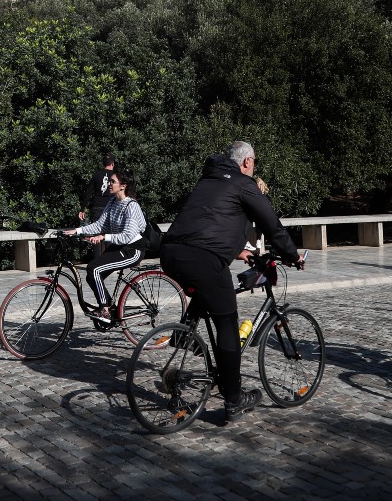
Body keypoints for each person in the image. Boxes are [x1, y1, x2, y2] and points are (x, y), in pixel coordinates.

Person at [161, 141, 302, 423]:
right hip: (202, 259)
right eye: (254, 163)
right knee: (227, 322)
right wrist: (292, 254)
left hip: (171, 252)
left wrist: (239, 250)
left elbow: (210, 222)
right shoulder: (242, 183)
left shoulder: (209, 180)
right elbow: (271, 224)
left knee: (208, 295)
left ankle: (185, 337)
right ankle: (234, 400)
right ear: (247, 162)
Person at [61, 166, 146, 322]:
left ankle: (104, 310)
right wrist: (77, 231)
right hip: (119, 247)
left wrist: (102, 237)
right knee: (91, 274)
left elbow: (126, 236)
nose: (109, 184)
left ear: (123, 186)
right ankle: (108, 307)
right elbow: (100, 224)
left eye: (112, 181)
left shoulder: (131, 206)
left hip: (132, 250)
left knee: (94, 269)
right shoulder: (113, 202)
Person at [79, 153, 115, 224]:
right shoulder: (115, 176)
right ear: (112, 163)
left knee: (96, 231)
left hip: (97, 207)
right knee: (110, 232)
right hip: (111, 207)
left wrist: (82, 209)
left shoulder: (97, 175)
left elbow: (88, 193)